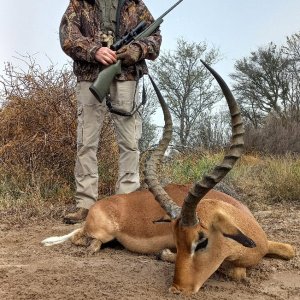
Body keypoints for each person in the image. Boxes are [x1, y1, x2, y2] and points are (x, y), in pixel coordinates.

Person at [59, 0, 162, 223]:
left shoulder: (135, 4)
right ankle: (86, 205)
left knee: (130, 141)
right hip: (90, 77)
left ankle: (127, 204)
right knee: (86, 141)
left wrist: (137, 49)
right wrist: (94, 51)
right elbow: (67, 36)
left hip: (126, 76)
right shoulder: (79, 3)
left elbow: (154, 37)